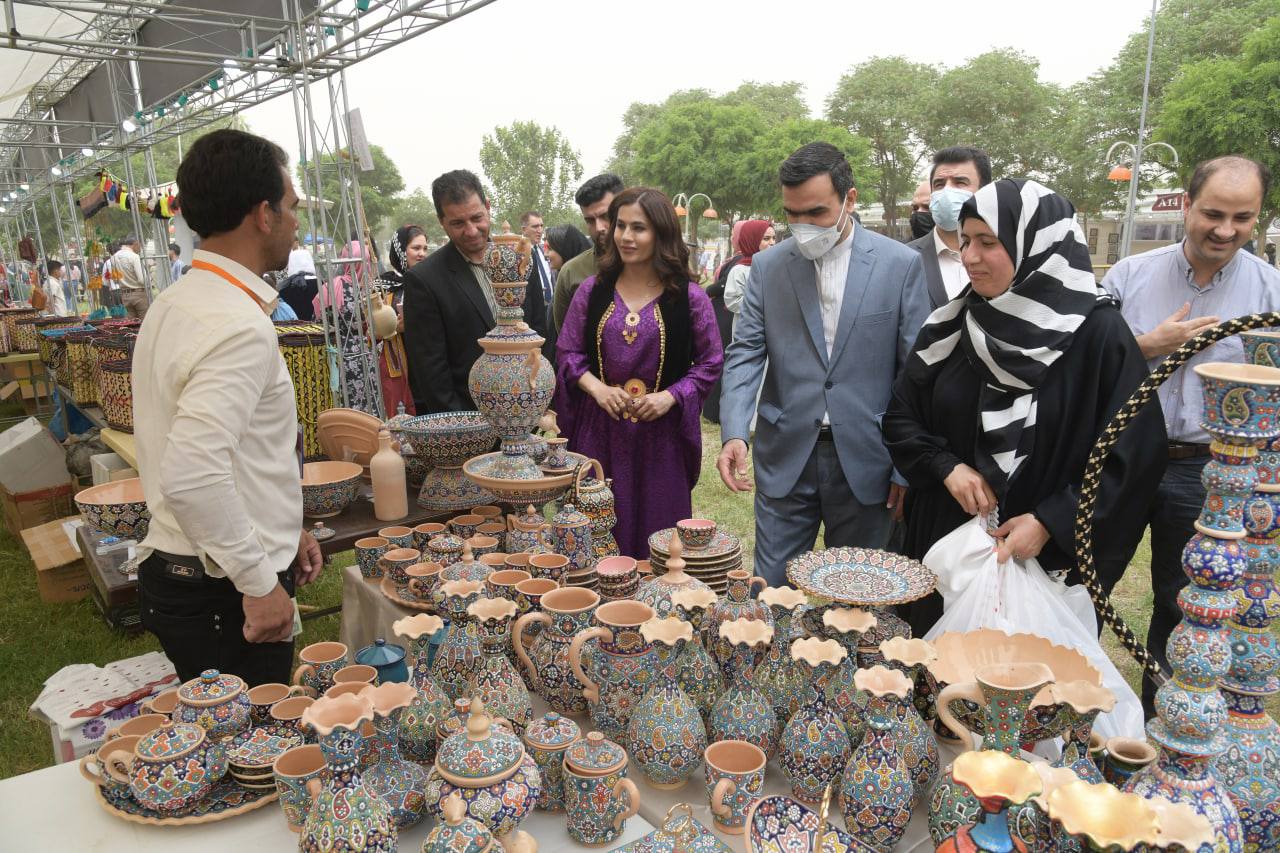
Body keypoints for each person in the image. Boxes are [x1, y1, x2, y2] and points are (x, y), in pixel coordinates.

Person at [885, 178, 1167, 636]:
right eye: (966, 240)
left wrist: (1052, 521)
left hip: (1046, 561)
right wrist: (946, 466)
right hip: (947, 549)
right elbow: (902, 417)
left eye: (988, 242)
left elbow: (1133, 455)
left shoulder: (1097, 335)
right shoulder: (952, 326)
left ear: (1037, 245)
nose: (969, 256)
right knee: (937, 669)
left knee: (1029, 676)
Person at [131, 128, 324, 685]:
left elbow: (233, 456)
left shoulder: (180, 301)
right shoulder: (235, 324)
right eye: (291, 206)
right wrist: (258, 583)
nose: (295, 221)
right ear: (263, 214)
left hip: (202, 574)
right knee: (253, 735)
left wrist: (281, 531)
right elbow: (194, 475)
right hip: (221, 591)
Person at [1102, 155, 1280, 715]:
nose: (1225, 230)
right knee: (1085, 583)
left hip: (1208, 468)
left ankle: (1164, 731)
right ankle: (1071, 728)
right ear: (1186, 205)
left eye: (1242, 218)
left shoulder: (1270, 294)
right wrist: (1146, 347)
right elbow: (1086, 366)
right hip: (1124, 455)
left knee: (1185, 604)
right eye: (1213, 214)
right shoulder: (1128, 276)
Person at [716, 142, 930, 586]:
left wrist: (905, 464)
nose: (803, 226)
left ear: (849, 199)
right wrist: (734, 431)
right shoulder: (769, 267)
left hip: (869, 457)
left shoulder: (900, 265)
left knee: (858, 595)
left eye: (815, 212)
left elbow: (915, 372)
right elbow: (745, 353)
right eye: (792, 214)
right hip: (786, 452)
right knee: (771, 590)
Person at [554, 187, 723, 557]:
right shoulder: (592, 292)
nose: (626, 237)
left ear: (661, 233)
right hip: (599, 435)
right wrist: (597, 388)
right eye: (621, 226)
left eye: (639, 228)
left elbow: (711, 362)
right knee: (594, 538)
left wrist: (670, 396)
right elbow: (567, 352)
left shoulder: (689, 297)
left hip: (661, 441)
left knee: (660, 544)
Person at [402, 169, 548, 413]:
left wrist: (539, 403)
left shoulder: (519, 258)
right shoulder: (424, 280)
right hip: (470, 419)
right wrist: (465, 427)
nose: (470, 231)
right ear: (441, 221)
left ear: (488, 207)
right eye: (457, 223)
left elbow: (540, 332)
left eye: (477, 218)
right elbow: (431, 372)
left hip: (528, 411)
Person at [907, 146, 993, 310]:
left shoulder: (1009, 253)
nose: (947, 191)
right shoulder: (905, 258)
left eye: (960, 182)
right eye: (939, 184)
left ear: (985, 191)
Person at [315, 240, 381, 414]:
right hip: (364, 354)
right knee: (368, 408)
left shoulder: (330, 287)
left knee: (344, 408)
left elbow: (317, 321)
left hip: (334, 356)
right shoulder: (366, 291)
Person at [553, 173, 624, 332]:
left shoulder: (654, 264)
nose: (599, 227)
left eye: (605, 216)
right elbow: (567, 338)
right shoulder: (571, 273)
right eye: (590, 220)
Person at [374, 224, 428, 416]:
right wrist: (393, 327)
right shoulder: (382, 287)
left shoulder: (429, 282)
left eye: (425, 248)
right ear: (400, 250)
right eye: (416, 248)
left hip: (428, 361)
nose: (422, 254)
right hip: (398, 365)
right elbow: (368, 331)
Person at [522, 210, 557, 359]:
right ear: (524, 229)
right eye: (535, 226)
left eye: (541, 226)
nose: (540, 230)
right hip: (531, 316)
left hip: (549, 310)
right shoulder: (518, 253)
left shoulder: (543, 251)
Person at [722, 220, 776, 314]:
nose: (772, 242)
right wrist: (767, 301)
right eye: (766, 238)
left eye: (774, 238)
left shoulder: (776, 266)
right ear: (752, 240)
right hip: (750, 322)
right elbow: (733, 302)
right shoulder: (740, 270)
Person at [113, 235, 149, 319]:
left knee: (131, 323)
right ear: (136, 243)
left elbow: (115, 279)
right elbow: (142, 280)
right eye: (141, 245)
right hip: (138, 294)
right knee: (144, 322)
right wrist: (149, 279)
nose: (141, 249)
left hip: (124, 294)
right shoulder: (134, 257)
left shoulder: (114, 257)